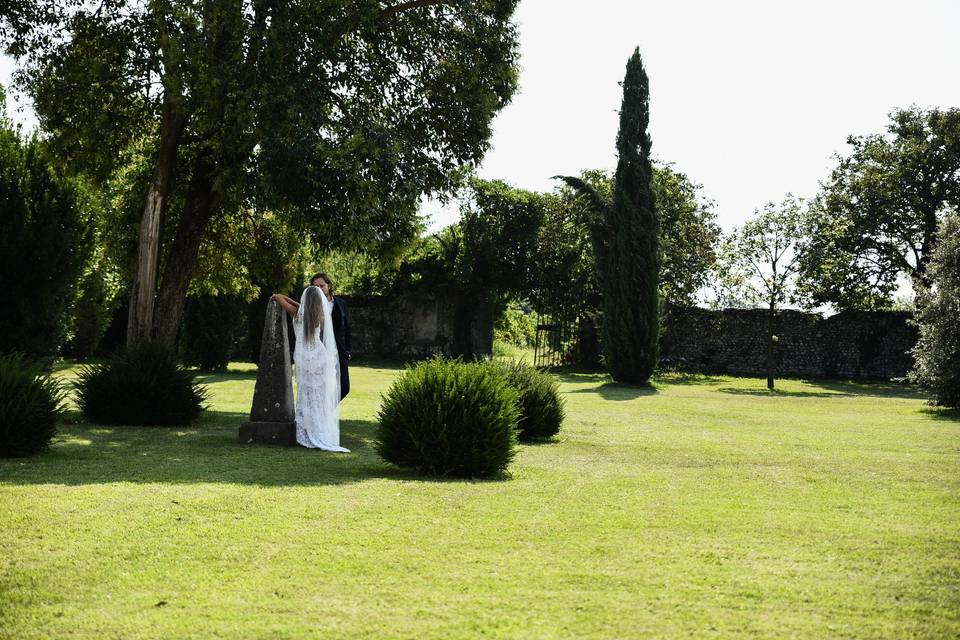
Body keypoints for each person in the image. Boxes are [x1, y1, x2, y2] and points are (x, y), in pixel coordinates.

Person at [272, 286, 349, 452]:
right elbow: (299, 306)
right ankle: (319, 430)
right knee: (319, 399)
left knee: (306, 395)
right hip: (320, 358)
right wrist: (302, 304)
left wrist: (296, 302)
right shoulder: (320, 316)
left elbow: (279, 297)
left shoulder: (298, 315)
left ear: (305, 301)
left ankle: (308, 434)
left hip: (305, 359)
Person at [309, 272, 351, 400]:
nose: (320, 289)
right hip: (318, 351)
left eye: (322, 286)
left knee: (344, 388)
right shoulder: (310, 306)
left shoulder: (341, 303)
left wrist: (348, 350)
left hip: (339, 351)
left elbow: (347, 328)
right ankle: (318, 416)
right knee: (319, 387)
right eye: (316, 287)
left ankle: (324, 415)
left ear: (329, 285)